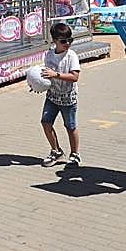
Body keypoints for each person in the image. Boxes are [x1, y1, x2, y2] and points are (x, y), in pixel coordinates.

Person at [39, 22, 81, 167]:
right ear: (55, 40)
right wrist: (37, 84)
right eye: (63, 41)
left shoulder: (71, 55)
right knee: (45, 122)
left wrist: (55, 74)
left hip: (68, 98)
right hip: (52, 96)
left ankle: (75, 154)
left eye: (70, 40)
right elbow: (46, 75)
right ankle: (56, 151)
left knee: (70, 126)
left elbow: (75, 76)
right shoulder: (49, 55)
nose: (67, 43)